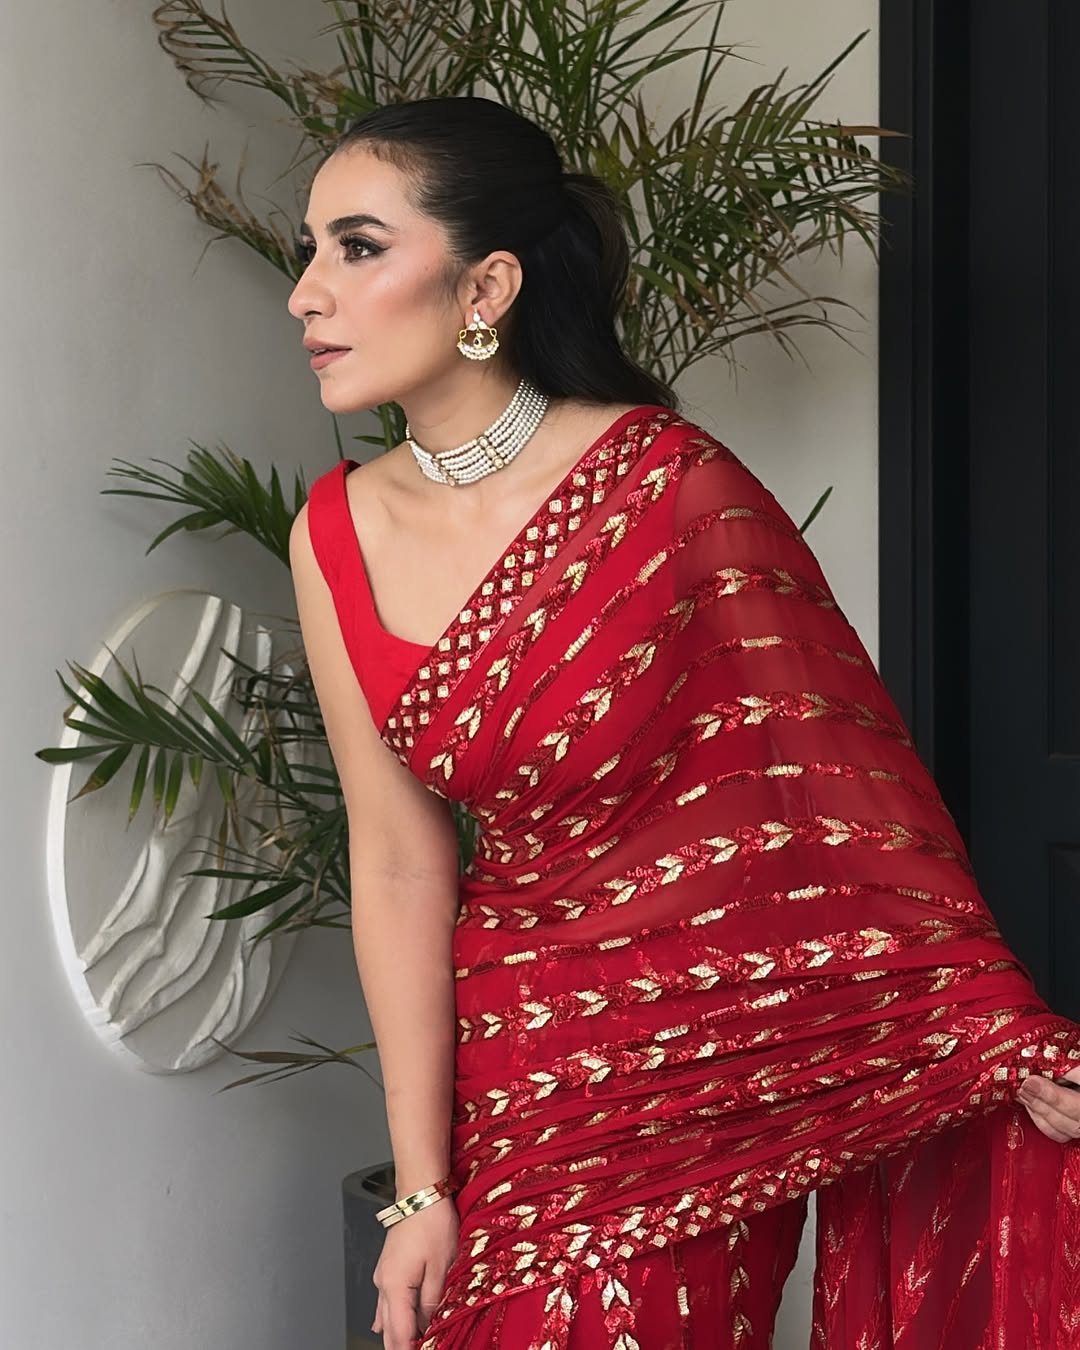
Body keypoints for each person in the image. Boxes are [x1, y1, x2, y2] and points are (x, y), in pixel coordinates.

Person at [286, 95, 1080, 1350]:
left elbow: (838, 800)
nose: (306, 294)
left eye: (358, 246)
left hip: (697, 1067)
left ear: (486, 285)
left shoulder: (670, 487)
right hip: (515, 1074)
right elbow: (394, 859)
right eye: (311, 250)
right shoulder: (336, 531)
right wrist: (421, 1190)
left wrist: (987, 1027)